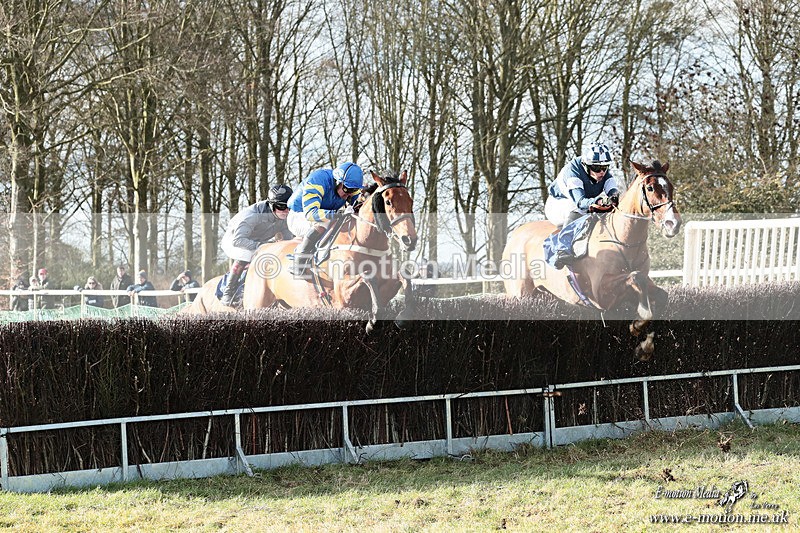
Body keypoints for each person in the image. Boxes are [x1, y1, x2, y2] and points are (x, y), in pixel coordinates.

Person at [544, 142, 621, 268]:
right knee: (577, 209)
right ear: (586, 165)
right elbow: (580, 203)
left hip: (583, 201)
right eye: (596, 168)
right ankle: (562, 250)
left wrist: (613, 197)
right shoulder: (572, 172)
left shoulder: (601, 170)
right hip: (558, 204)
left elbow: (613, 189)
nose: (601, 172)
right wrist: (597, 201)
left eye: (605, 167)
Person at [218, 184, 294, 306]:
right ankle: (228, 292)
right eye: (281, 206)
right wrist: (263, 245)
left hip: (255, 239)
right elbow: (238, 241)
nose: (286, 211)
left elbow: (287, 240)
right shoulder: (252, 216)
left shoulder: (285, 216)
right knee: (247, 254)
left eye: (289, 206)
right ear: (271, 204)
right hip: (234, 239)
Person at [286, 162, 363, 276]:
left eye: (354, 191)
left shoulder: (350, 189)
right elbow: (311, 214)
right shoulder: (317, 180)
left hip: (325, 216)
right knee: (323, 225)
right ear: (338, 182)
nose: (349, 195)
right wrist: (338, 214)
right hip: (299, 215)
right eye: (347, 190)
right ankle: (298, 261)